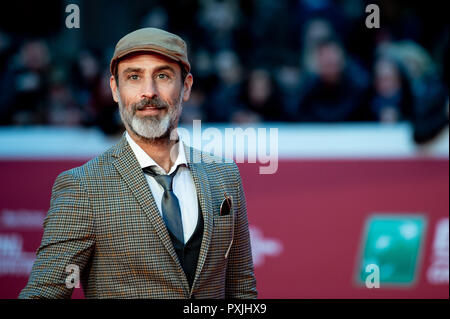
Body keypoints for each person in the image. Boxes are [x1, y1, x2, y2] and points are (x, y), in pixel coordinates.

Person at [19, 28, 257, 299]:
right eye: (134, 77)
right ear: (115, 90)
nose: (149, 92)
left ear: (187, 87)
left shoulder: (224, 175)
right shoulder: (83, 187)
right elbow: (45, 293)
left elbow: (242, 290)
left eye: (163, 76)